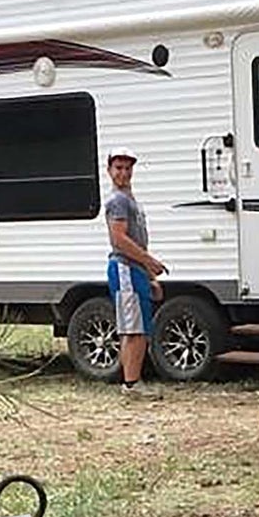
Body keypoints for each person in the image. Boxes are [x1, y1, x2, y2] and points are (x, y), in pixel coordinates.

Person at [104, 146, 167, 393]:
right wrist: (149, 261)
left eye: (128, 168)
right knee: (133, 330)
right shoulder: (117, 200)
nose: (124, 173)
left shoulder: (131, 200)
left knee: (138, 327)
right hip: (124, 268)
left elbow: (138, 238)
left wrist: (150, 276)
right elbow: (118, 239)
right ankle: (131, 384)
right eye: (118, 167)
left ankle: (131, 380)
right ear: (109, 170)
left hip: (135, 270)